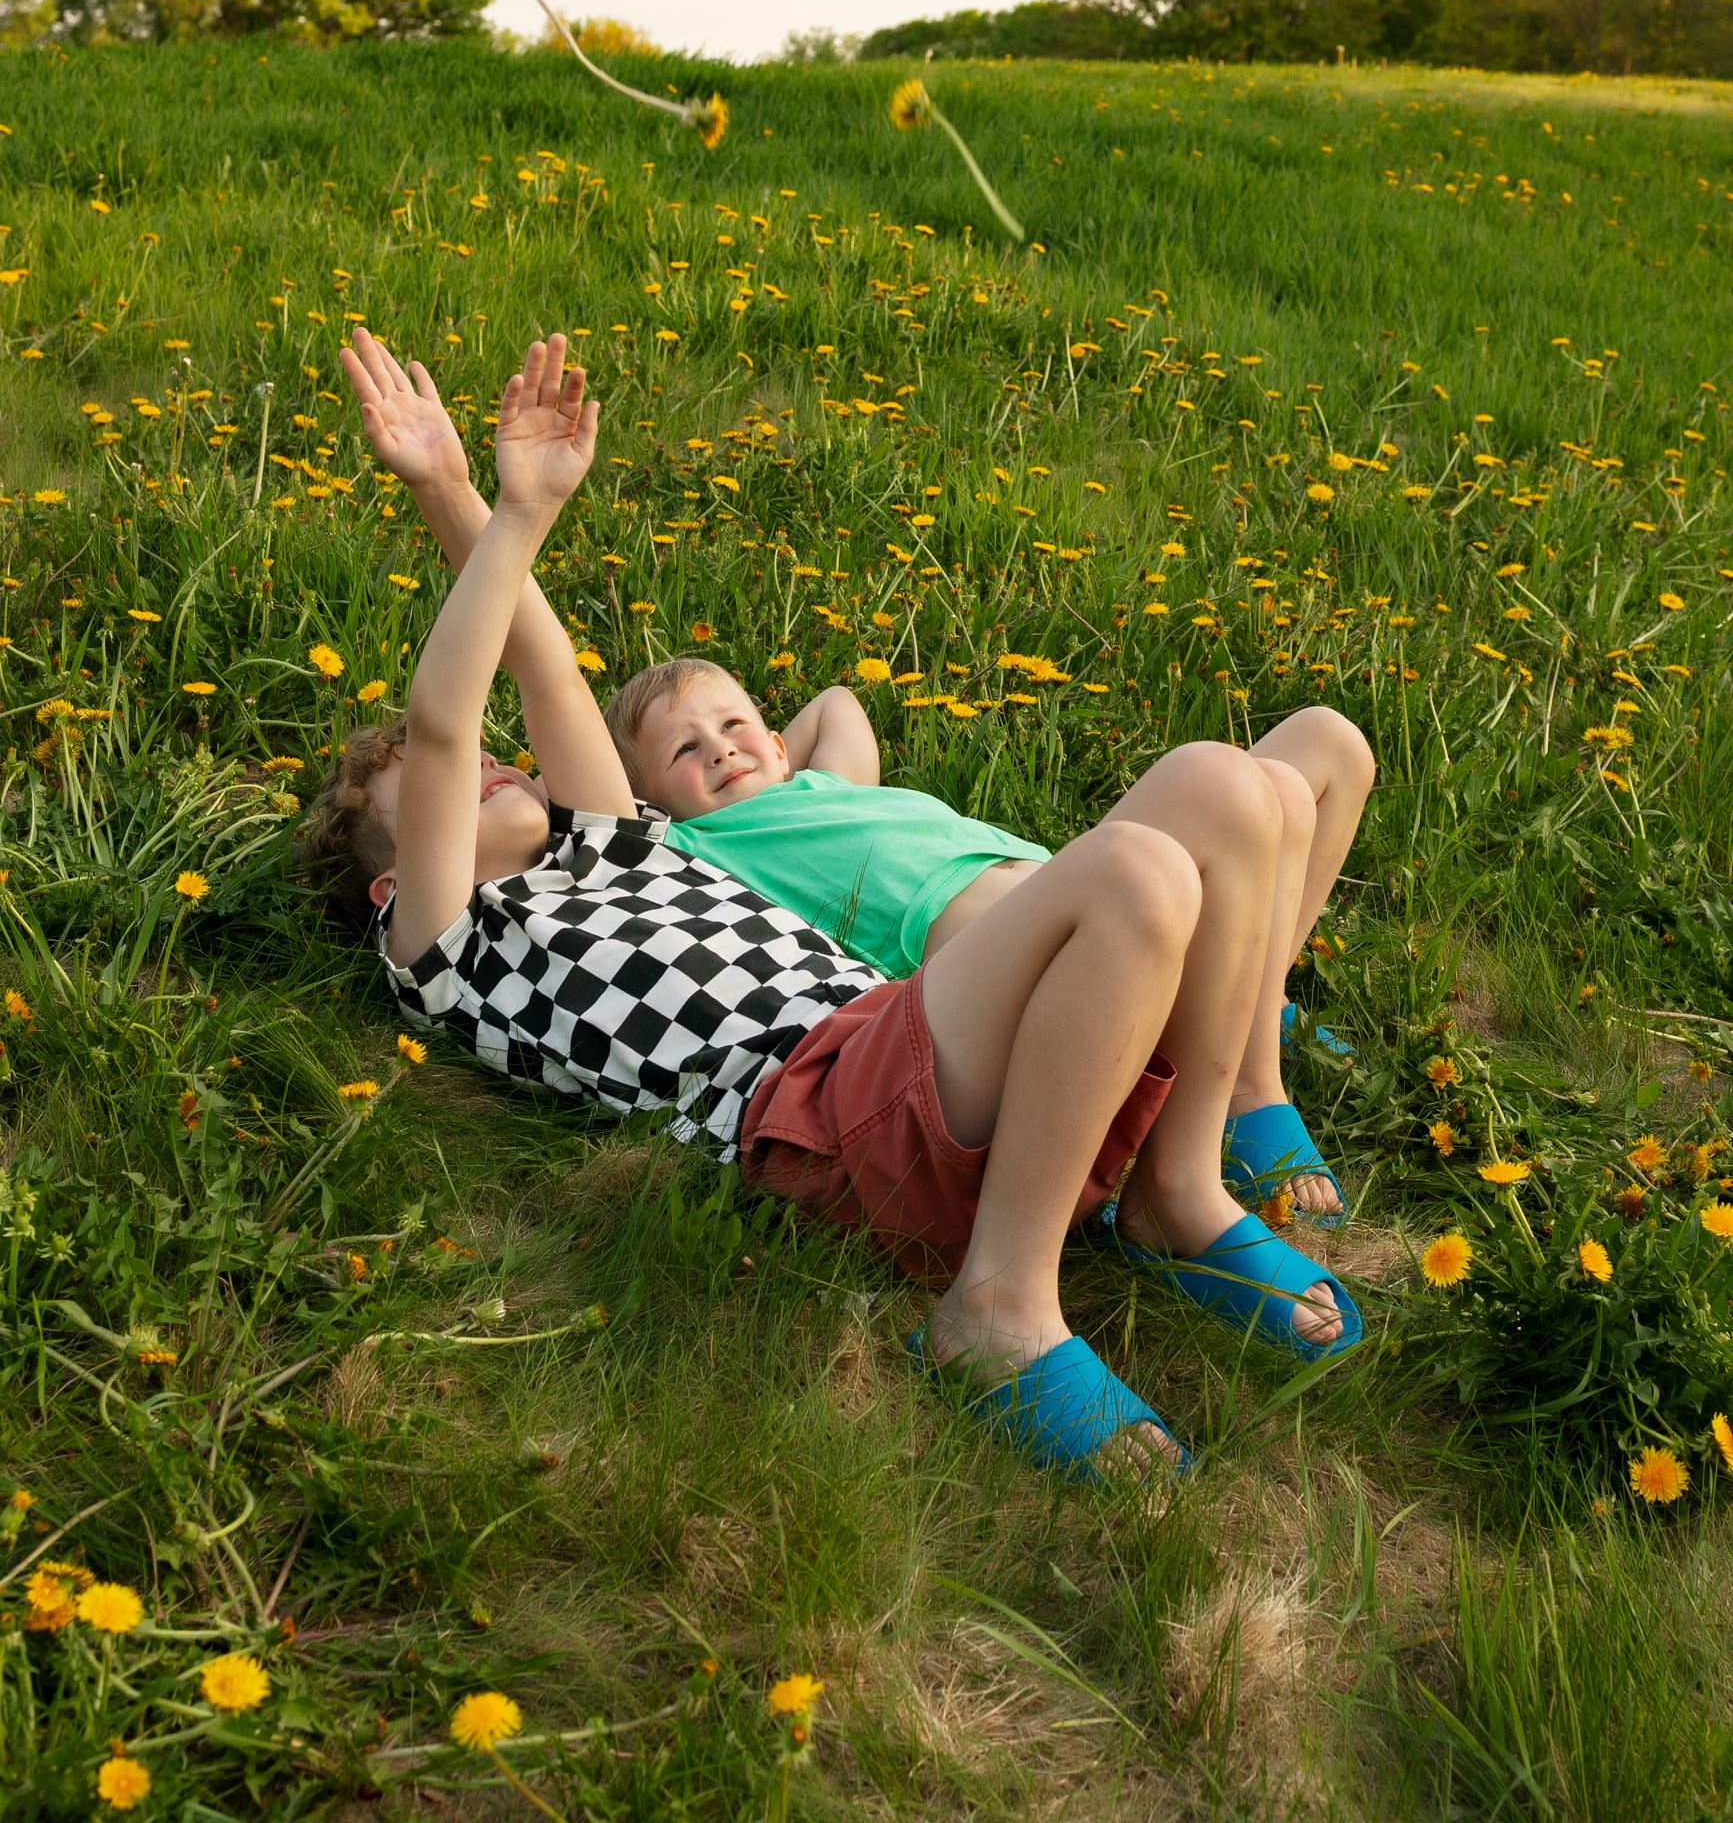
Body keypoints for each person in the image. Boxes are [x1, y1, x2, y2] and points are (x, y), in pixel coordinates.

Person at [315, 327, 1361, 1484]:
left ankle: (1174, 1186)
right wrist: (503, 523)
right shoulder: (453, 946)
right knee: (1133, 871)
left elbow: (542, 671)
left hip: (911, 1042)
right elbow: (451, 708)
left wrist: (466, 493)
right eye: (454, 790)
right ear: (395, 880)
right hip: (812, 1105)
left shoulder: (612, 845)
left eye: (500, 767)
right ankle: (996, 1308)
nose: (497, 769)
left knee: (1208, 790)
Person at [607, 665, 1374, 1242]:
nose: (718, 749)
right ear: (649, 800)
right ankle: (1246, 1084)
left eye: (734, 726)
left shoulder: (825, 785)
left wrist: (767, 749)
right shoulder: (696, 847)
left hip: (1127, 898)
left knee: (1322, 745)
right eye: (685, 747)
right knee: (1216, 780)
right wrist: (665, 780)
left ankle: (1248, 1001)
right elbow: (585, 794)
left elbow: (837, 703)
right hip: (1053, 964)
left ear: (777, 744)